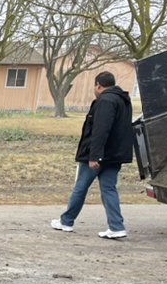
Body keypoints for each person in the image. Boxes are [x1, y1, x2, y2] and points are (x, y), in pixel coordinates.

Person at [50, 71, 133, 239]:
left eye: (95, 87)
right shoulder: (123, 101)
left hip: (99, 155)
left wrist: (94, 155)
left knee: (80, 187)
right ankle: (116, 226)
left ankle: (66, 221)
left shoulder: (105, 101)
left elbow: (100, 130)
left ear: (98, 85)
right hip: (115, 155)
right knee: (109, 189)